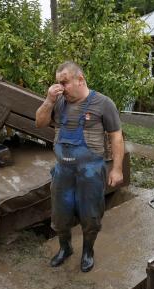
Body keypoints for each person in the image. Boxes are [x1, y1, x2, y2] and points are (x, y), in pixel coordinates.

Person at [35, 61, 124, 272]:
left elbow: (116, 137)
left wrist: (117, 168)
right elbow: (39, 123)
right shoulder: (58, 102)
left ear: (80, 79)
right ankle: (65, 248)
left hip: (91, 172)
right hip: (63, 171)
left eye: (64, 82)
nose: (60, 87)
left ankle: (87, 251)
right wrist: (49, 100)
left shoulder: (103, 103)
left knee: (90, 215)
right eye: (57, 83)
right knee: (60, 215)